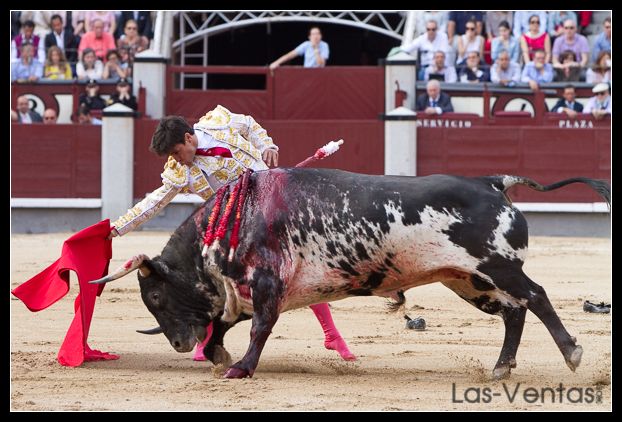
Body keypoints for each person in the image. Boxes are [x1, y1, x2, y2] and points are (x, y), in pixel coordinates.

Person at [107, 105, 356, 362]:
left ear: (188, 138)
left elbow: (248, 123)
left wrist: (267, 145)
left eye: (176, 152)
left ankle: (331, 334)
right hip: (235, 226)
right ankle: (207, 341)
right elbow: (153, 203)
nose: (176, 159)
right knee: (213, 276)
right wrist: (116, 228)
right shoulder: (179, 171)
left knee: (296, 270)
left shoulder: (218, 122)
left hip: (270, 212)